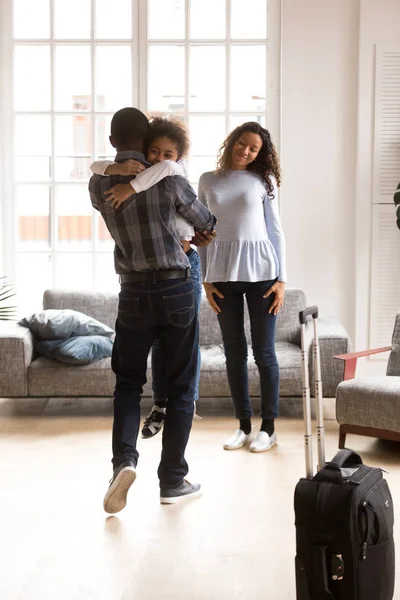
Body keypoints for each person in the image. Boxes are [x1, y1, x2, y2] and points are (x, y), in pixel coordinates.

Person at [89, 107, 216, 513]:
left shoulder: (98, 183)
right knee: (180, 388)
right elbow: (206, 220)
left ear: (113, 141)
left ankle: (124, 462)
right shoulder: (171, 177)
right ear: (147, 142)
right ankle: (173, 481)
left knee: (127, 383)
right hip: (175, 287)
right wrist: (194, 230)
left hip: (132, 292)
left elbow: (106, 182)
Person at [197, 122, 287, 453]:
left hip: (263, 273)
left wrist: (282, 279)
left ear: (260, 154)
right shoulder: (208, 180)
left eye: (253, 148)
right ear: (232, 141)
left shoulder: (264, 181)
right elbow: (202, 231)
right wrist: (205, 279)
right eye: (242, 143)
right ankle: (244, 426)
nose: (245, 151)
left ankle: (269, 428)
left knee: (264, 352)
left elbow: (276, 231)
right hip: (222, 276)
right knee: (234, 353)